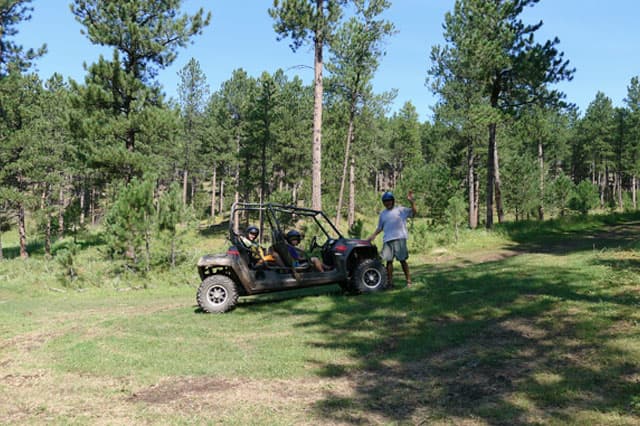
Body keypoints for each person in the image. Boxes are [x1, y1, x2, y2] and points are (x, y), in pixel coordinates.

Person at [366, 191, 417, 288]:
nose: (387, 203)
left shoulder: (401, 210)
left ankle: (409, 281)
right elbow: (380, 227)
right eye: (385, 201)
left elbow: (414, 213)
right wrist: (373, 236)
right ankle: (390, 283)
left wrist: (412, 202)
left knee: (402, 260)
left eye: (389, 201)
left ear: (393, 201)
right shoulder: (383, 214)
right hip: (387, 240)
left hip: (399, 238)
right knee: (389, 262)